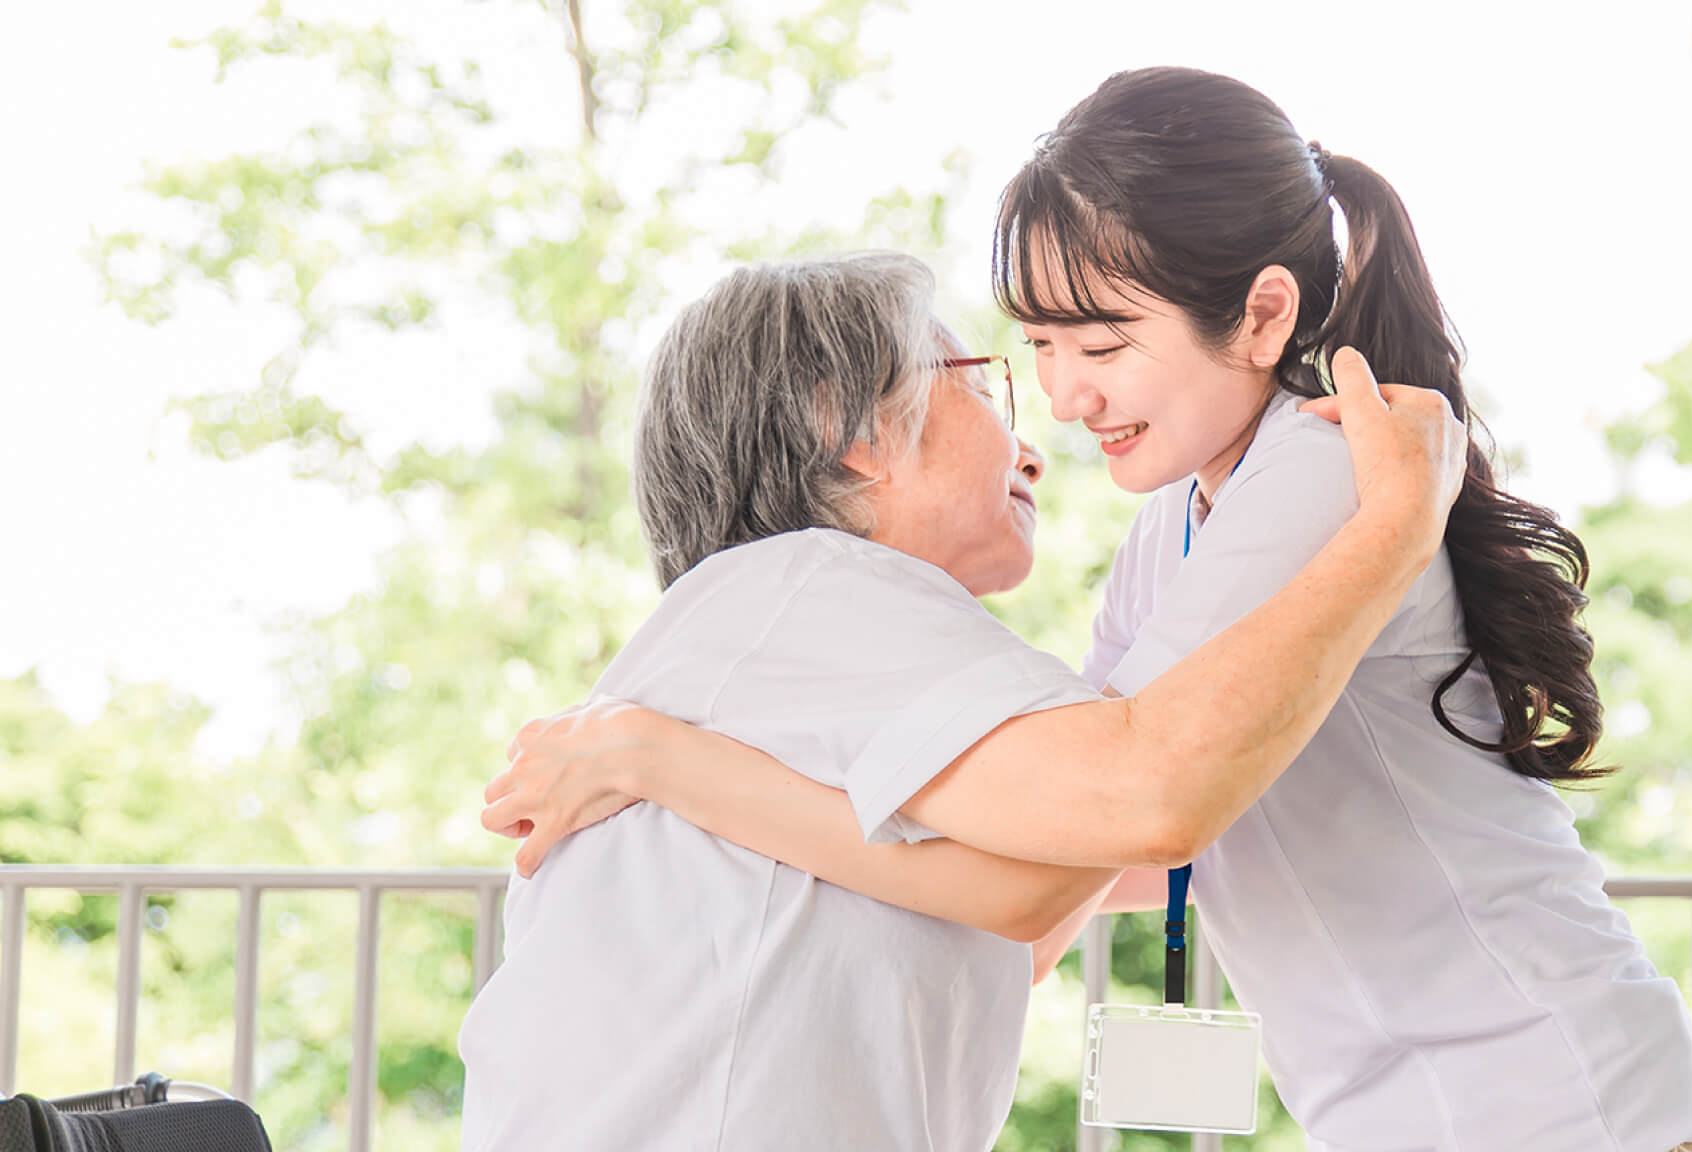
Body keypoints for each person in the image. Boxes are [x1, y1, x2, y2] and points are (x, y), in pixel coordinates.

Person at [485, 69, 1692, 1152]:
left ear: (1260, 316)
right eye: (1033, 349)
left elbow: (1141, 804)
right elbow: (1067, 853)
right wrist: (677, 766)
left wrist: (671, 759)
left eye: (1101, 343)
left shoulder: (1330, 464)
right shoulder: (1168, 538)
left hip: (1554, 1100)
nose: (1064, 397)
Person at [458, 250, 1464, 1151]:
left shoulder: (766, 641)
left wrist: (669, 762)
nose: (1032, 446)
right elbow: (1133, 802)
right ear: (843, 427)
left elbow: (1020, 904)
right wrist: (1399, 524)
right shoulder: (811, 583)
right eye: (987, 390)